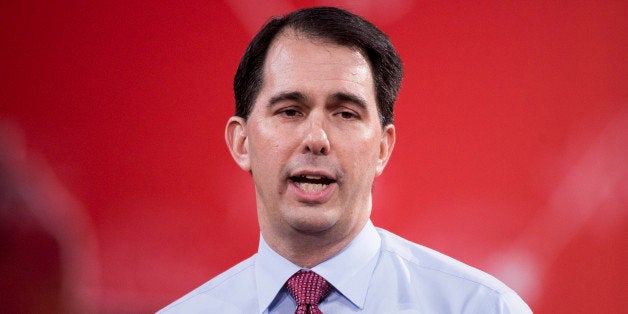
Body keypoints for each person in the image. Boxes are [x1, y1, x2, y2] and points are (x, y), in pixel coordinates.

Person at [159, 6, 531, 313]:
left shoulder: (481, 307)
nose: (316, 139)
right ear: (242, 143)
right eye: (290, 111)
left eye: (345, 113)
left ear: (383, 148)